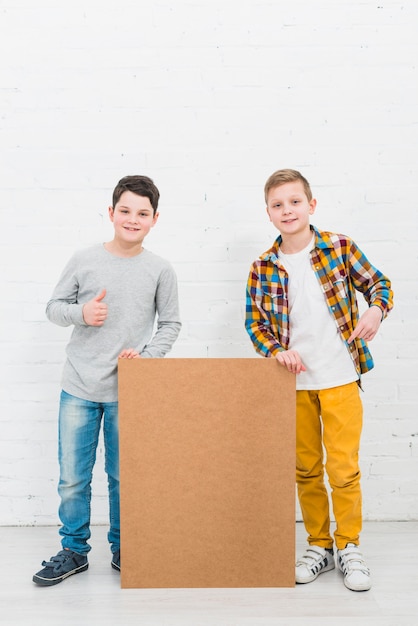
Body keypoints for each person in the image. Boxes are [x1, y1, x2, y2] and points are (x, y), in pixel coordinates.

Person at [245, 169, 393, 592]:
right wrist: (276, 350)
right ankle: (319, 546)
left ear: (311, 205)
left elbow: (379, 284)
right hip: (293, 385)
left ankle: (349, 545)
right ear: (269, 214)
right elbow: (255, 324)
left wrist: (375, 311)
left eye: (294, 202)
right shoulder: (262, 266)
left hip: (341, 378)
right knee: (306, 470)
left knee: (343, 469)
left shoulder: (340, 248)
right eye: (278, 205)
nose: (287, 210)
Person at [33, 175, 181, 586]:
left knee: (123, 477)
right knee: (73, 477)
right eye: (126, 211)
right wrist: (82, 314)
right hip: (78, 386)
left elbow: (170, 323)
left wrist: (147, 357)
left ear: (154, 219)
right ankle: (73, 551)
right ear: (111, 212)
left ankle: (124, 548)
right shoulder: (84, 259)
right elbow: (53, 307)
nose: (133, 219)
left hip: (128, 391)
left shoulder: (160, 270)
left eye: (143, 213)